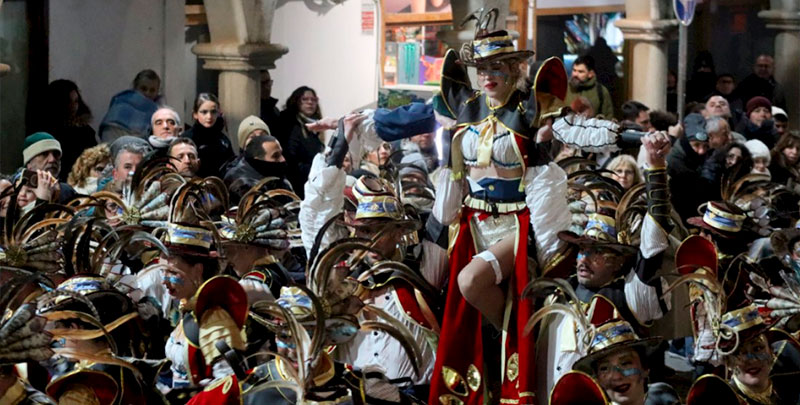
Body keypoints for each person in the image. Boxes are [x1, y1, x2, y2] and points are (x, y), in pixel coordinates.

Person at [538, 132, 673, 399]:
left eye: (597, 252)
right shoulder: (556, 294)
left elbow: (653, 245)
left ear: (620, 261)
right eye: (582, 250)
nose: (584, 259)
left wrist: (656, 169)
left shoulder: (631, 296)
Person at [35, 79, 96, 181]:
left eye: (76, 101)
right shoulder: (47, 133)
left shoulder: (86, 132)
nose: (73, 107)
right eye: (68, 102)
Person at [223, 133, 292, 205]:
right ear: (258, 160)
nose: (282, 159)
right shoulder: (243, 186)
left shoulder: (277, 175)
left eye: (281, 154)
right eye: (275, 156)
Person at [667, 113, 712, 221]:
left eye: (705, 146)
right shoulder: (672, 162)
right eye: (696, 145)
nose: (701, 151)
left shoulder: (705, 161)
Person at [281, 86, 324, 198]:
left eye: (313, 99)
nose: (310, 102)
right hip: (297, 182)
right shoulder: (290, 125)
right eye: (305, 99)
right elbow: (291, 157)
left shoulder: (314, 126)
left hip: (310, 179)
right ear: (296, 101)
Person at [98, 69, 161, 142]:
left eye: (152, 90)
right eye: (143, 89)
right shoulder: (120, 107)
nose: (147, 93)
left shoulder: (159, 113)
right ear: (135, 88)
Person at [183, 93, 234, 178]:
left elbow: (231, 165)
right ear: (195, 114)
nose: (209, 116)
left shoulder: (223, 139)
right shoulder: (188, 139)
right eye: (204, 112)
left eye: (213, 112)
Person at [20, 132, 76, 204]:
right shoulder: (15, 191)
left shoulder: (66, 191)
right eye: (44, 154)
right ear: (29, 163)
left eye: (56, 154)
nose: (52, 159)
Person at [259, 70, 282, 137]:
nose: (267, 87)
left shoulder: (274, 110)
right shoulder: (251, 109)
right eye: (262, 84)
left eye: (268, 82)